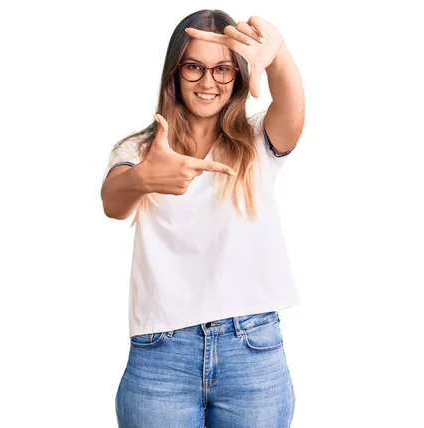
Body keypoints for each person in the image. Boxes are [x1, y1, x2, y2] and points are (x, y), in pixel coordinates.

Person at [100, 9, 305, 428]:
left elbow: (292, 109)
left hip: (251, 353)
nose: (209, 82)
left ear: (239, 75)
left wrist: (278, 53)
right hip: (161, 358)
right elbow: (112, 202)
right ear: (175, 72)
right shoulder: (140, 150)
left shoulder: (256, 141)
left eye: (223, 69)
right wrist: (144, 178)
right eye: (194, 67)